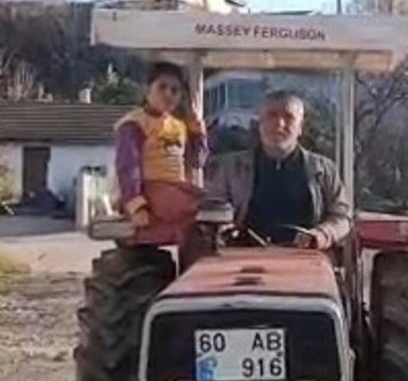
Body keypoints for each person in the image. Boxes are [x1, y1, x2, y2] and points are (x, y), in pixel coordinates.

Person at [205, 90, 352, 248]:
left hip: (307, 258)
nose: (279, 124)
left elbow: (342, 216)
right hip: (244, 258)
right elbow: (215, 209)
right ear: (260, 123)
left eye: (289, 117)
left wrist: (321, 235)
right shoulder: (230, 168)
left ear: (300, 127)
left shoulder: (324, 170)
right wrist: (224, 229)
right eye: (272, 115)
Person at [113, 62, 207, 229]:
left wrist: (198, 134)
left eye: (174, 90)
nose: (168, 94)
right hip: (149, 189)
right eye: (162, 87)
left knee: (215, 207)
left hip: (176, 189)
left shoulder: (179, 125)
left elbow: (196, 162)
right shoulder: (135, 124)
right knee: (195, 209)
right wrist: (136, 206)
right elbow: (128, 168)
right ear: (148, 90)